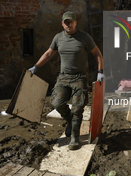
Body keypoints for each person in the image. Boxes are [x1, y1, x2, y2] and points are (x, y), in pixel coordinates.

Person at [28, 11, 104, 150]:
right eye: (66, 22)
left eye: (71, 22)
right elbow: (49, 53)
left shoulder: (84, 37)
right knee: (56, 102)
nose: (68, 24)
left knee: (78, 107)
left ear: (75, 22)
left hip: (80, 77)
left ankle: (75, 137)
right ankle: (70, 121)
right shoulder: (58, 38)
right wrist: (36, 67)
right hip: (63, 77)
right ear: (62, 23)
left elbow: (97, 54)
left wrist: (100, 72)